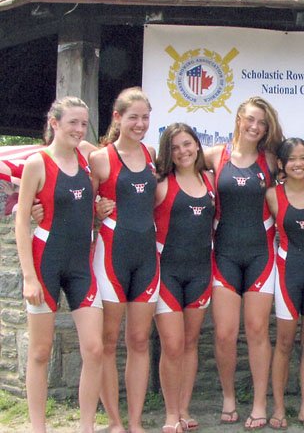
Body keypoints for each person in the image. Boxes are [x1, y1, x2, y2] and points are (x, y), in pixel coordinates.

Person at [15, 97, 102, 433]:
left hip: (81, 264)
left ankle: (86, 426)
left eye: (83, 123)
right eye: (72, 123)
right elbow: (22, 222)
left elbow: (115, 172)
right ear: (54, 122)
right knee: (40, 351)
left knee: (94, 348)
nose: (79, 130)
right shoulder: (38, 162)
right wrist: (28, 277)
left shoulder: (89, 156)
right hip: (45, 261)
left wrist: (104, 205)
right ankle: (38, 427)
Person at [204, 96, 284, 429]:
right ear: (238, 119)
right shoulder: (213, 155)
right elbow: (165, 172)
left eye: (262, 123)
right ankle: (228, 397)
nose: (255, 127)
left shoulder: (271, 160)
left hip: (260, 256)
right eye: (250, 119)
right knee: (224, 334)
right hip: (223, 255)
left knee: (256, 331)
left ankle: (260, 402)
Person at [90, 87, 159, 433]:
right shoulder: (101, 159)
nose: (140, 123)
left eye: (145, 117)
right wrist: (96, 210)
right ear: (117, 118)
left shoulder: (152, 154)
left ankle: (135, 422)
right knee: (108, 341)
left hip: (147, 258)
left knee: (140, 341)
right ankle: (114, 421)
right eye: (133, 116)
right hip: (112, 255)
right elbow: (77, 208)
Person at [153, 123, 216, 432]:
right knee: (173, 344)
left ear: (197, 145)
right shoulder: (161, 185)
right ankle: (169, 414)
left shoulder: (211, 182)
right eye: (175, 147)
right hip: (167, 275)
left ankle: (185, 409)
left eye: (187, 144)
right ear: (168, 152)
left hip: (201, 272)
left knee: (191, 343)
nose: (182, 152)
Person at [267, 138, 304, 432]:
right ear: (281, 164)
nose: (299, 163)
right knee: (285, 344)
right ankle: (278, 407)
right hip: (288, 274)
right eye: (293, 159)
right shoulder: (272, 195)